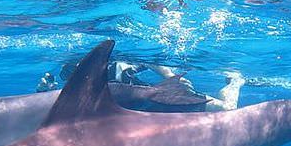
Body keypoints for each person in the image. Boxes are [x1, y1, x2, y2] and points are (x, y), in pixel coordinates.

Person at [40, 60, 244, 112]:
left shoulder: (117, 65)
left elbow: (149, 61)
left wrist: (172, 76)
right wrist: (44, 93)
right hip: (141, 112)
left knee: (227, 110)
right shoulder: (72, 78)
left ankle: (234, 84)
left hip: (161, 99)